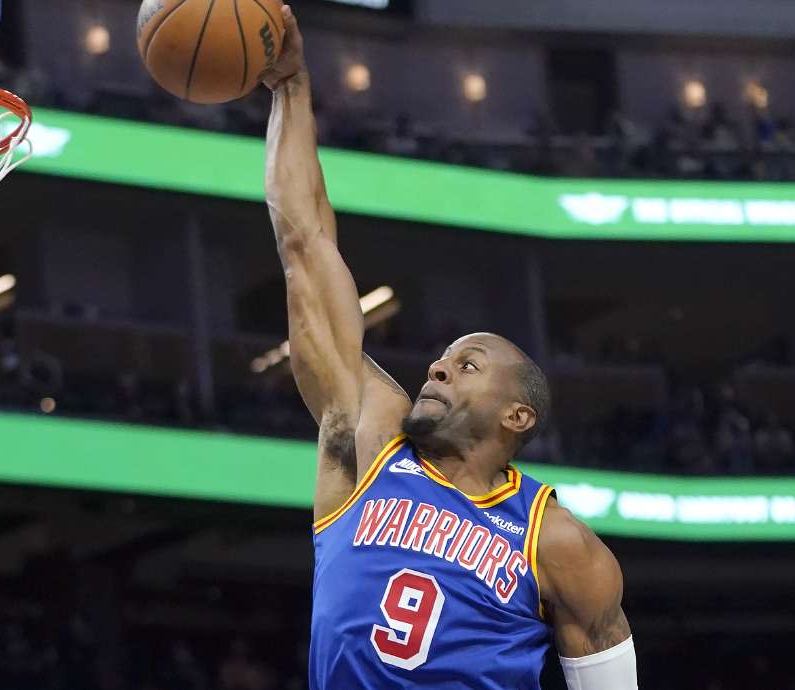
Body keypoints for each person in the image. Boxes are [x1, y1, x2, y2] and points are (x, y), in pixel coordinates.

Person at [259, 7, 637, 689]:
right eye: (443, 358)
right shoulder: (371, 441)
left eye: (468, 365)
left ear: (517, 415)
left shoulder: (558, 542)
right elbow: (305, 244)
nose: (437, 367)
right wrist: (291, 87)